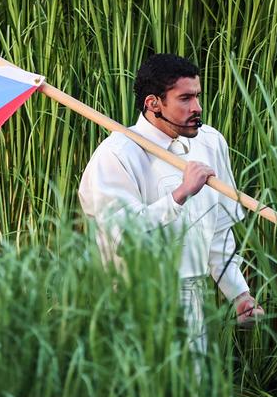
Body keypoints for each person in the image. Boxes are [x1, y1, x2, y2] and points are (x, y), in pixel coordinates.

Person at [78, 53, 263, 353]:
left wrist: (239, 294)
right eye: (185, 99)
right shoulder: (116, 155)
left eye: (198, 97)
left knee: (193, 396)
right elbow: (123, 237)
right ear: (153, 104)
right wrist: (180, 194)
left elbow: (216, 235)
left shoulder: (210, 143)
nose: (197, 108)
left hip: (194, 305)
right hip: (136, 305)